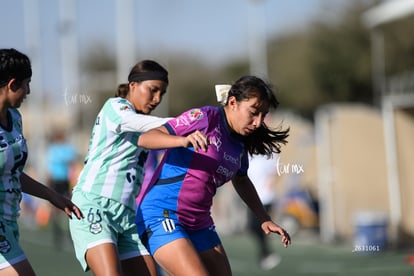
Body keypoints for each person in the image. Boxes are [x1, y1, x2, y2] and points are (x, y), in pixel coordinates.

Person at [136, 75, 292, 276]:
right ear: (233, 103)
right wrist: (182, 141)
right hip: (161, 214)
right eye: (253, 113)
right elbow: (145, 138)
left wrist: (264, 218)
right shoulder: (205, 118)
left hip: (199, 222)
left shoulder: (240, 143)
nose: (258, 122)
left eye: (263, 115)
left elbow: (241, 179)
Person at [68, 60, 208, 276]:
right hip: (93, 205)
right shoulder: (116, 107)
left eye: (162, 93)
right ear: (133, 85)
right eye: (152, 90)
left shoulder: (147, 123)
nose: (157, 99)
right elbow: (140, 124)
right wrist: (189, 126)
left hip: (127, 214)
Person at [0, 48, 83, 275]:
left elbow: (12, 172)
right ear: (13, 84)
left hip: (8, 224)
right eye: (27, 84)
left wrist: (51, 195)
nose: (28, 91)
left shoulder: (15, 119)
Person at [247, 153, 281, 270]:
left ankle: (267, 254)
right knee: (252, 226)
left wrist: (271, 181)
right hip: (251, 196)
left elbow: (276, 167)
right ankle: (266, 253)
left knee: (258, 225)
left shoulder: (269, 151)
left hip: (265, 196)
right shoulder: (248, 150)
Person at [46, 129, 78, 249]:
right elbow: (50, 167)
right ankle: (57, 235)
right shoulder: (53, 149)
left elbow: (73, 162)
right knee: (55, 209)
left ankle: (70, 235)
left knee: (69, 206)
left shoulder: (67, 149)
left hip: (65, 181)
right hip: (56, 181)